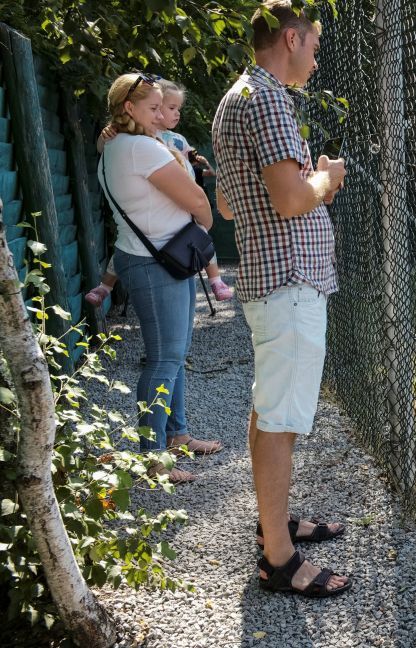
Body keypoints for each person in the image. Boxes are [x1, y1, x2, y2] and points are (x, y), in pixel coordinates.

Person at [212, 0, 349, 597]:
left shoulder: (234, 99)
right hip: (289, 283)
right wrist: (327, 179)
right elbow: (292, 200)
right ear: (290, 39)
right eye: (314, 47)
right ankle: (278, 557)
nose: (316, 60)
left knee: (270, 411)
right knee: (279, 418)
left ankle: (275, 524)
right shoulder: (265, 98)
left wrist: (302, 183)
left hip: (275, 281)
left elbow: (228, 202)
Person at [98, 73, 224, 483]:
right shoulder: (139, 148)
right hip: (157, 263)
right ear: (128, 108)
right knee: (164, 358)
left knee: (175, 352)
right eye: (152, 108)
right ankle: (151, 458)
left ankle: (177, 435)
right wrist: (204, 225)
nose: (158, 115)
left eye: (160, 108)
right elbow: (196, 199)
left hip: (162, 260)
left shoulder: (116, 145)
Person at [86, 79, 232, 306]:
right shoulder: (138, 144)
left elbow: (193, 161)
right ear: (131, 108)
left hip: (173, 218)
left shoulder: (171, 140)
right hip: (157, 247)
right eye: (160, 108)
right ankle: (105, 286)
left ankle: (215, 280)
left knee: (201, 241)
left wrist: (204, 168)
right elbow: (102, 147)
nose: (169, 115)